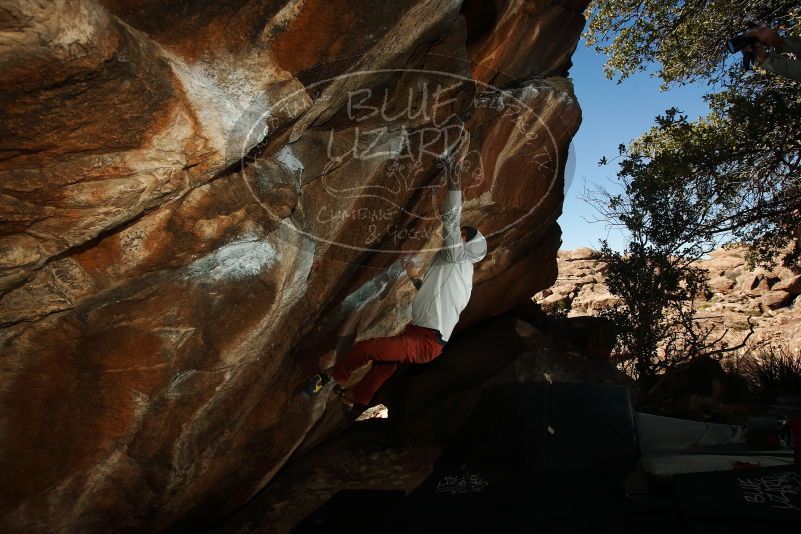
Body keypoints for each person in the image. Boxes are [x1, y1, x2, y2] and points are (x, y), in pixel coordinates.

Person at [325, 131, 488, 408]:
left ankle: (333, 377)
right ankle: (359, 398)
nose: (458, 235)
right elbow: (437, 295)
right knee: (383, 366)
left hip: (427, 342)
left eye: (464, 235)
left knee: (366, 349)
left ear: (468, 246)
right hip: (419, 333)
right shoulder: (457, 271)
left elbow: (451, 218)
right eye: (462, 233)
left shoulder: (456, 259)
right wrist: (414, 278)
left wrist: (455, 173)